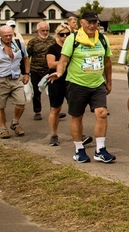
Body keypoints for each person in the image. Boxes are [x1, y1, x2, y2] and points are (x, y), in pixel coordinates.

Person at [49, 10, 114, 164]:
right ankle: (79, 150)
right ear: (82, 23)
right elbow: (63, 60)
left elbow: (107, 62)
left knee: (102, 113)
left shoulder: (102, 39)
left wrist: (109, 81)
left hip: (98, 83)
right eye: (89, 22)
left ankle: (100, 150)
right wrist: (59, 73)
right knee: (77, 116)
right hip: (77, 84)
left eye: (95, 22)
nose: (92, 25)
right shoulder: (73, 39)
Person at [45, 23, 92, 147]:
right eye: (62, 34)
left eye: (67, 34)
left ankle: (79, 135)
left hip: (72, 80)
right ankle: (53, 135)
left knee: (76, 110)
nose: (65, 36)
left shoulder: (74, 46)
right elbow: (50, 64)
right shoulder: (53, 48)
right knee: (55, 109)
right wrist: (64, 61)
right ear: (57, 35)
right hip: (56, 81)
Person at [0, 25, 30, 138]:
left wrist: (27, 73)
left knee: (21, 102)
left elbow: (26, 58)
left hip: (16, 78)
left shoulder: (19, 44)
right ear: (0, 36)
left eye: (10, 35)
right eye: (5, 36)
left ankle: (15, 123)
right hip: (0, 79)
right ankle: (3, 128)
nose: (8, 38)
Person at [26, 21, 55, 121]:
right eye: (43, 30)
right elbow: (27, 57)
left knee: (53, 91)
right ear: (38, 30)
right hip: (36, 70)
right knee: (36, 92)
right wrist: (26, 71)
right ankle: (37, 111)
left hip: (49, 70)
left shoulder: (52, 40)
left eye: (47, 30)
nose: (45, 32)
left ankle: (54, 111)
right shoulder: (32, 42)